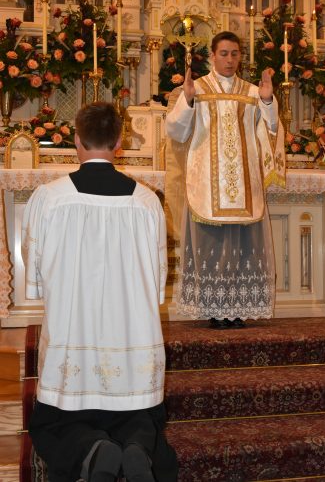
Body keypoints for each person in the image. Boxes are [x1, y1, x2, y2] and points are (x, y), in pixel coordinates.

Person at [22, 102, 178, 482]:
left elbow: (35, 268)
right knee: (139, 416)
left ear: (76, 139)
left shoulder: (50, 198)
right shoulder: (146, 201)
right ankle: (137, 446)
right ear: (119, 142)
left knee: (54, 423)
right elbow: (157, 277)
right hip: (131, 340)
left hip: (73, 337)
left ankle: (91, 448)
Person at [165, 31, 285, 329]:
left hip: (244, 182)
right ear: (212, 56)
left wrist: (267, 101)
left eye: (234, 53)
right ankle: (214, 309)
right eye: (224, 53)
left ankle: (237, 308)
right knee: (213, 247)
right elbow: (176, 132)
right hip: (207, 182)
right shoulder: (197, 88)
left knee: (242, 247)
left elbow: (271, 130)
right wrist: (187, 100)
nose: (230, 60)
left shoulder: (253, 92)